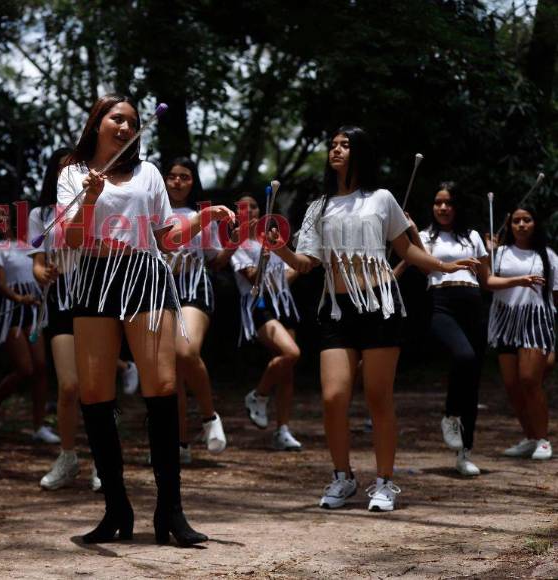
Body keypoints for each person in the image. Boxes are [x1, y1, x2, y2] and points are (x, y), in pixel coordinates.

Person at [271, 126, 478, 511]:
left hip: (380, 305)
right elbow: (305, 263)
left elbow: (407, 250)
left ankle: (384, 482)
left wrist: (443, 266)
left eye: (344, 144)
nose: (335, 150)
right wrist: (278, 248)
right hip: (336, 309)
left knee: (378, 397)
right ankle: (342, 477)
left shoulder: (382, 199)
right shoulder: (318, 207)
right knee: (334, 397)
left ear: (360, 152)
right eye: (331, 144)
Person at [57, 94, 233, 545]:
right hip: (95, 277)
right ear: (97, 122)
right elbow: (73, 237)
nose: (124, 126)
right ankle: (116, 509)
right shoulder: (73, 174)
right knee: (95, 394)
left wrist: (206, 218)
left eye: (132, 121)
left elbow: (167, 238)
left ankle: (170, 513)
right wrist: (91, 199)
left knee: (163, 387)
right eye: (117, 118)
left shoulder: (149, 172)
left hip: (144, 274)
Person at [394, 182, 489, 475]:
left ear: (457, 206)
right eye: (438, 202)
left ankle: (465, 453)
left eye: (448, 202)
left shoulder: (472, 236)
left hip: (473, 304)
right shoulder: (424, 236)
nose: (443, 207)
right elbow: (427, 267)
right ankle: (450, 415)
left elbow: (487, 279)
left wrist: (521, 280)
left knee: (472, 381)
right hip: (442, 304)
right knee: (464, 357)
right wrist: (410, 231)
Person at [28, 147, 101, 491]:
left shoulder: (100, 205)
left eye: (74, 167)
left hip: (97, 298)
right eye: (62, 168)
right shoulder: (40, 214)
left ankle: (104, 458)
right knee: (70, 385)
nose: (67, 173)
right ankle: (68, 457)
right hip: (60, 301)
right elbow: (37, 264)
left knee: (97, 387)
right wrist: (42, 272)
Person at [164, 156, 231, 460]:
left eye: (185, 176)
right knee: (171, 374)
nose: (177, 181)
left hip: (194, 286)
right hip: (160, 291)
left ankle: (209, 416)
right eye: (172, 176)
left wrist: (235, 244)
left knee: (186, 352)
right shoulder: (153, 212)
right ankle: (178, 442)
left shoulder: (203, 215)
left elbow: (215, 260)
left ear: (193, 182)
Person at [0, 210, 59, 444]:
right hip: (12, 311)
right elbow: (0, 284)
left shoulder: (33, 245)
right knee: (25, 369)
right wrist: (20, 299)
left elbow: (44, 271)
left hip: (34, 308)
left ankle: (39, 426)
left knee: (40, 367)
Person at [483, 206, 555, 461]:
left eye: (527, 220)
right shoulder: (499, 254)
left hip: (536, 321)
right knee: (512, 386)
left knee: (528, 380)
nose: (522, 224)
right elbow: (485, 281)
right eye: (516, 221)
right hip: (505, 322)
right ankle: (530, 437)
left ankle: (544, 439)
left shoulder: (548, 256)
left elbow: (555, 296)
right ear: (509, 225)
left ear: (535, 224)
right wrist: (487, 253)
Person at [231, 195, 302, 451]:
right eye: (243, 207)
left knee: (288, 370)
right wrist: (263, 256)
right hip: (258, 307)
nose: (249, 211)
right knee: (291, 353)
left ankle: (282, 430)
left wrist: (305, 263)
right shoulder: (237, 246)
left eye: (253, 206)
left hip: (284, 305)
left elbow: (288, 276)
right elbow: (254, 280)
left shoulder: (273, 240)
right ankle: (258, 395)